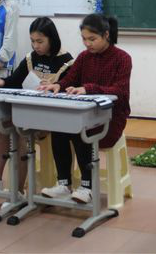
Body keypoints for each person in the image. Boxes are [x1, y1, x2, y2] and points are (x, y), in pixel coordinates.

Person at [0, 17, 73, 192]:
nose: (35, 46)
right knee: (5, 123)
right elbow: (15, 80)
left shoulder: (66, 61)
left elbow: (68, 89)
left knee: (20, 131)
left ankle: (18, 190)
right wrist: (2, 82)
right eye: (32, 41)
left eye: (40, 41)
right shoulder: (31, 58)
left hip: (53, 118)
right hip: (30, 112)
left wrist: (53, 88)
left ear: (52, 39)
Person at [41, 14, 131, 204]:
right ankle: (63, 184)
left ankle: (87, 186)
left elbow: (120, 92)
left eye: (92, 39)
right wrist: (58, 85)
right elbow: (70, 79)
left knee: (80, 130)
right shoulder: (84, 57)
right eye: (84, 39)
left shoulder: (122, 58)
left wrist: (89, 88)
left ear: (106, 35)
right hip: (87, 114)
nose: (87, 44)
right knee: (59, 128)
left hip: (111, 118)